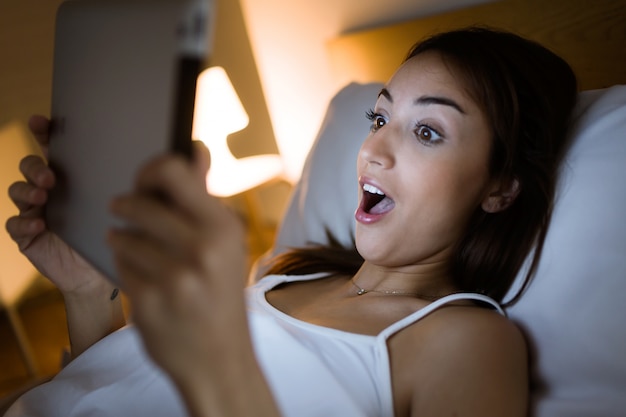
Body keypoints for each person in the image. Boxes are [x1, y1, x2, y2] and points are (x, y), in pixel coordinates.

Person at [5, 27, 577, 416]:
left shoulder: (465, 341)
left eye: (427, 131)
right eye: (379, 116)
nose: (374, 148)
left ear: (500, 188)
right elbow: (105, 395)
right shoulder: (285, 273)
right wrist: (87, 290)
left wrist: (220, 358)